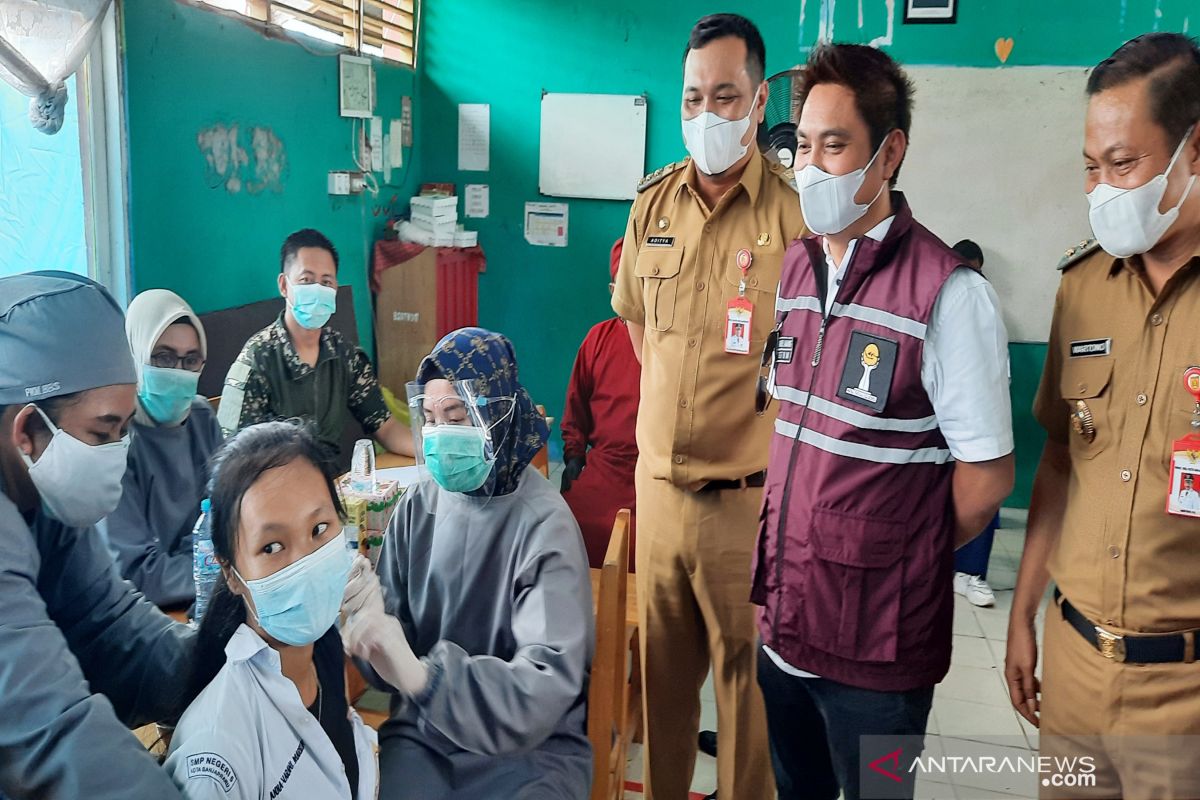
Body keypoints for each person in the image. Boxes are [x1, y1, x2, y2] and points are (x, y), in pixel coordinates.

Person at [751, 44, 1014, 800]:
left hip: (878, 651)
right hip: (786, 623)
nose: (811, 166)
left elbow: (989, 473)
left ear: (889, 151)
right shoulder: (798, 269)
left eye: (834, 145)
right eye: (803, 144)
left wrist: (898, 560)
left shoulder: (948, 294)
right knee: (796, 789)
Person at [611, 13, 807, 799]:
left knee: (747, 706)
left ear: (759, 101)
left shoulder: (794, 216)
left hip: (749, 507)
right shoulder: (653, 204)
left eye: (725, 97)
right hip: (656, 495)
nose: (707, 115)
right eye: (694, 96)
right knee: (659, 698)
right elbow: (634, 323)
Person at [1006, 33, 1200, 799]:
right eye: (1092, 167)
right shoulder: (1082, 286)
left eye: (1123, 164)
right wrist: (1023, 614)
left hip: (1186, 695)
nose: (1103, 189)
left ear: (1194, 151)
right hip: (1077, 668)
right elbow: (1059, 459)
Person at [341, 327, 594, 800]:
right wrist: (369, 627)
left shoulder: (543, 525)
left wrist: (427, 677)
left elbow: (544, 686)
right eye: (431, 420)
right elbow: (391, 656)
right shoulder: (418, 506)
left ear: (496, 415)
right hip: (426, 737)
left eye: (455, 417)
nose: (439, 436)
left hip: (530, 751)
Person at [0, 272, 196, 798]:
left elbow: (105, 619)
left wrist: (222, 665)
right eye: (102, 432)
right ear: (27, 430)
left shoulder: (44, 494)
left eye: (126, 429)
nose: (117, 450)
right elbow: (48, 727)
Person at [164, 421, 376, 799]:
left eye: (320, 528)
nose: (306, 562)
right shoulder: (216, 755)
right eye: (272, 547)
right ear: (231, 573)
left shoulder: (325, 652)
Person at [218, 228, 413, 464]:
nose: (317, 290)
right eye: (306, 280)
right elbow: (234, 462)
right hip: (273, 488)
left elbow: (386, 426)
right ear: (284, 285)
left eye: (326, 282)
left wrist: (434, 453)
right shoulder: (257, 361)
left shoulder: (343, 354)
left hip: (331, 485)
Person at [97, 289, 224, 608]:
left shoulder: (201, 418)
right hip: (142, 614)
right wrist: (221, 566)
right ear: (134, 355)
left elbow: (230, 518)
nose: (178, 372)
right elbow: (138, 574)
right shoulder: (113, 441)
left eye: (190, 360)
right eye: (163, 357)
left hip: (206, 596)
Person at [560, 236, 640, 569]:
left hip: (654, 471)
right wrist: (573, 455)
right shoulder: (599, 338)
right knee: (564, 528)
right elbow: (575, 408)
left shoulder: (675, 345)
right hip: (606, 467)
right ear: (613, 292)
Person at [948, 239, 1001, 608]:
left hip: (979, 419)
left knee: (985, 485)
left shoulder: (985, 301)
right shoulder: (940, 296)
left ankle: (971, 573)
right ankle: (944, 564)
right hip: (938, 419)